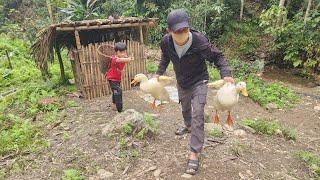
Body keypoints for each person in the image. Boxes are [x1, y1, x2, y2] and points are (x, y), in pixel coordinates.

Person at [155, 9, 234, 175]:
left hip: (200, 81)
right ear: (169, 31)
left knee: (198, 113)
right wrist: (159, 73)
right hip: (182, 82)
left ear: (188, 27)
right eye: (178, 31)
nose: (182, 33)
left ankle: (194, 153)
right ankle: (187, 124)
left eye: (185, 29)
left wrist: (226, 74)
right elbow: (165, 58)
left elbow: (218, 57)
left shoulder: (199, 41)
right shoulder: (166, 42)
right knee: (185, 108)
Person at [106, 42, 133, 112]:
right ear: (117, 52)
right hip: (112, 79)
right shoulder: (114, 58)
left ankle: (114, 105)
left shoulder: (122, 57)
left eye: (124, 52)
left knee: (115, 91)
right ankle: (119, 109)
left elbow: (124, 60)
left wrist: (127, 58)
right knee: (118, 92)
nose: (124, 54)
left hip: (117, 78)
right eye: (122, 52)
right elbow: (120, 60)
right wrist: (128, 59)